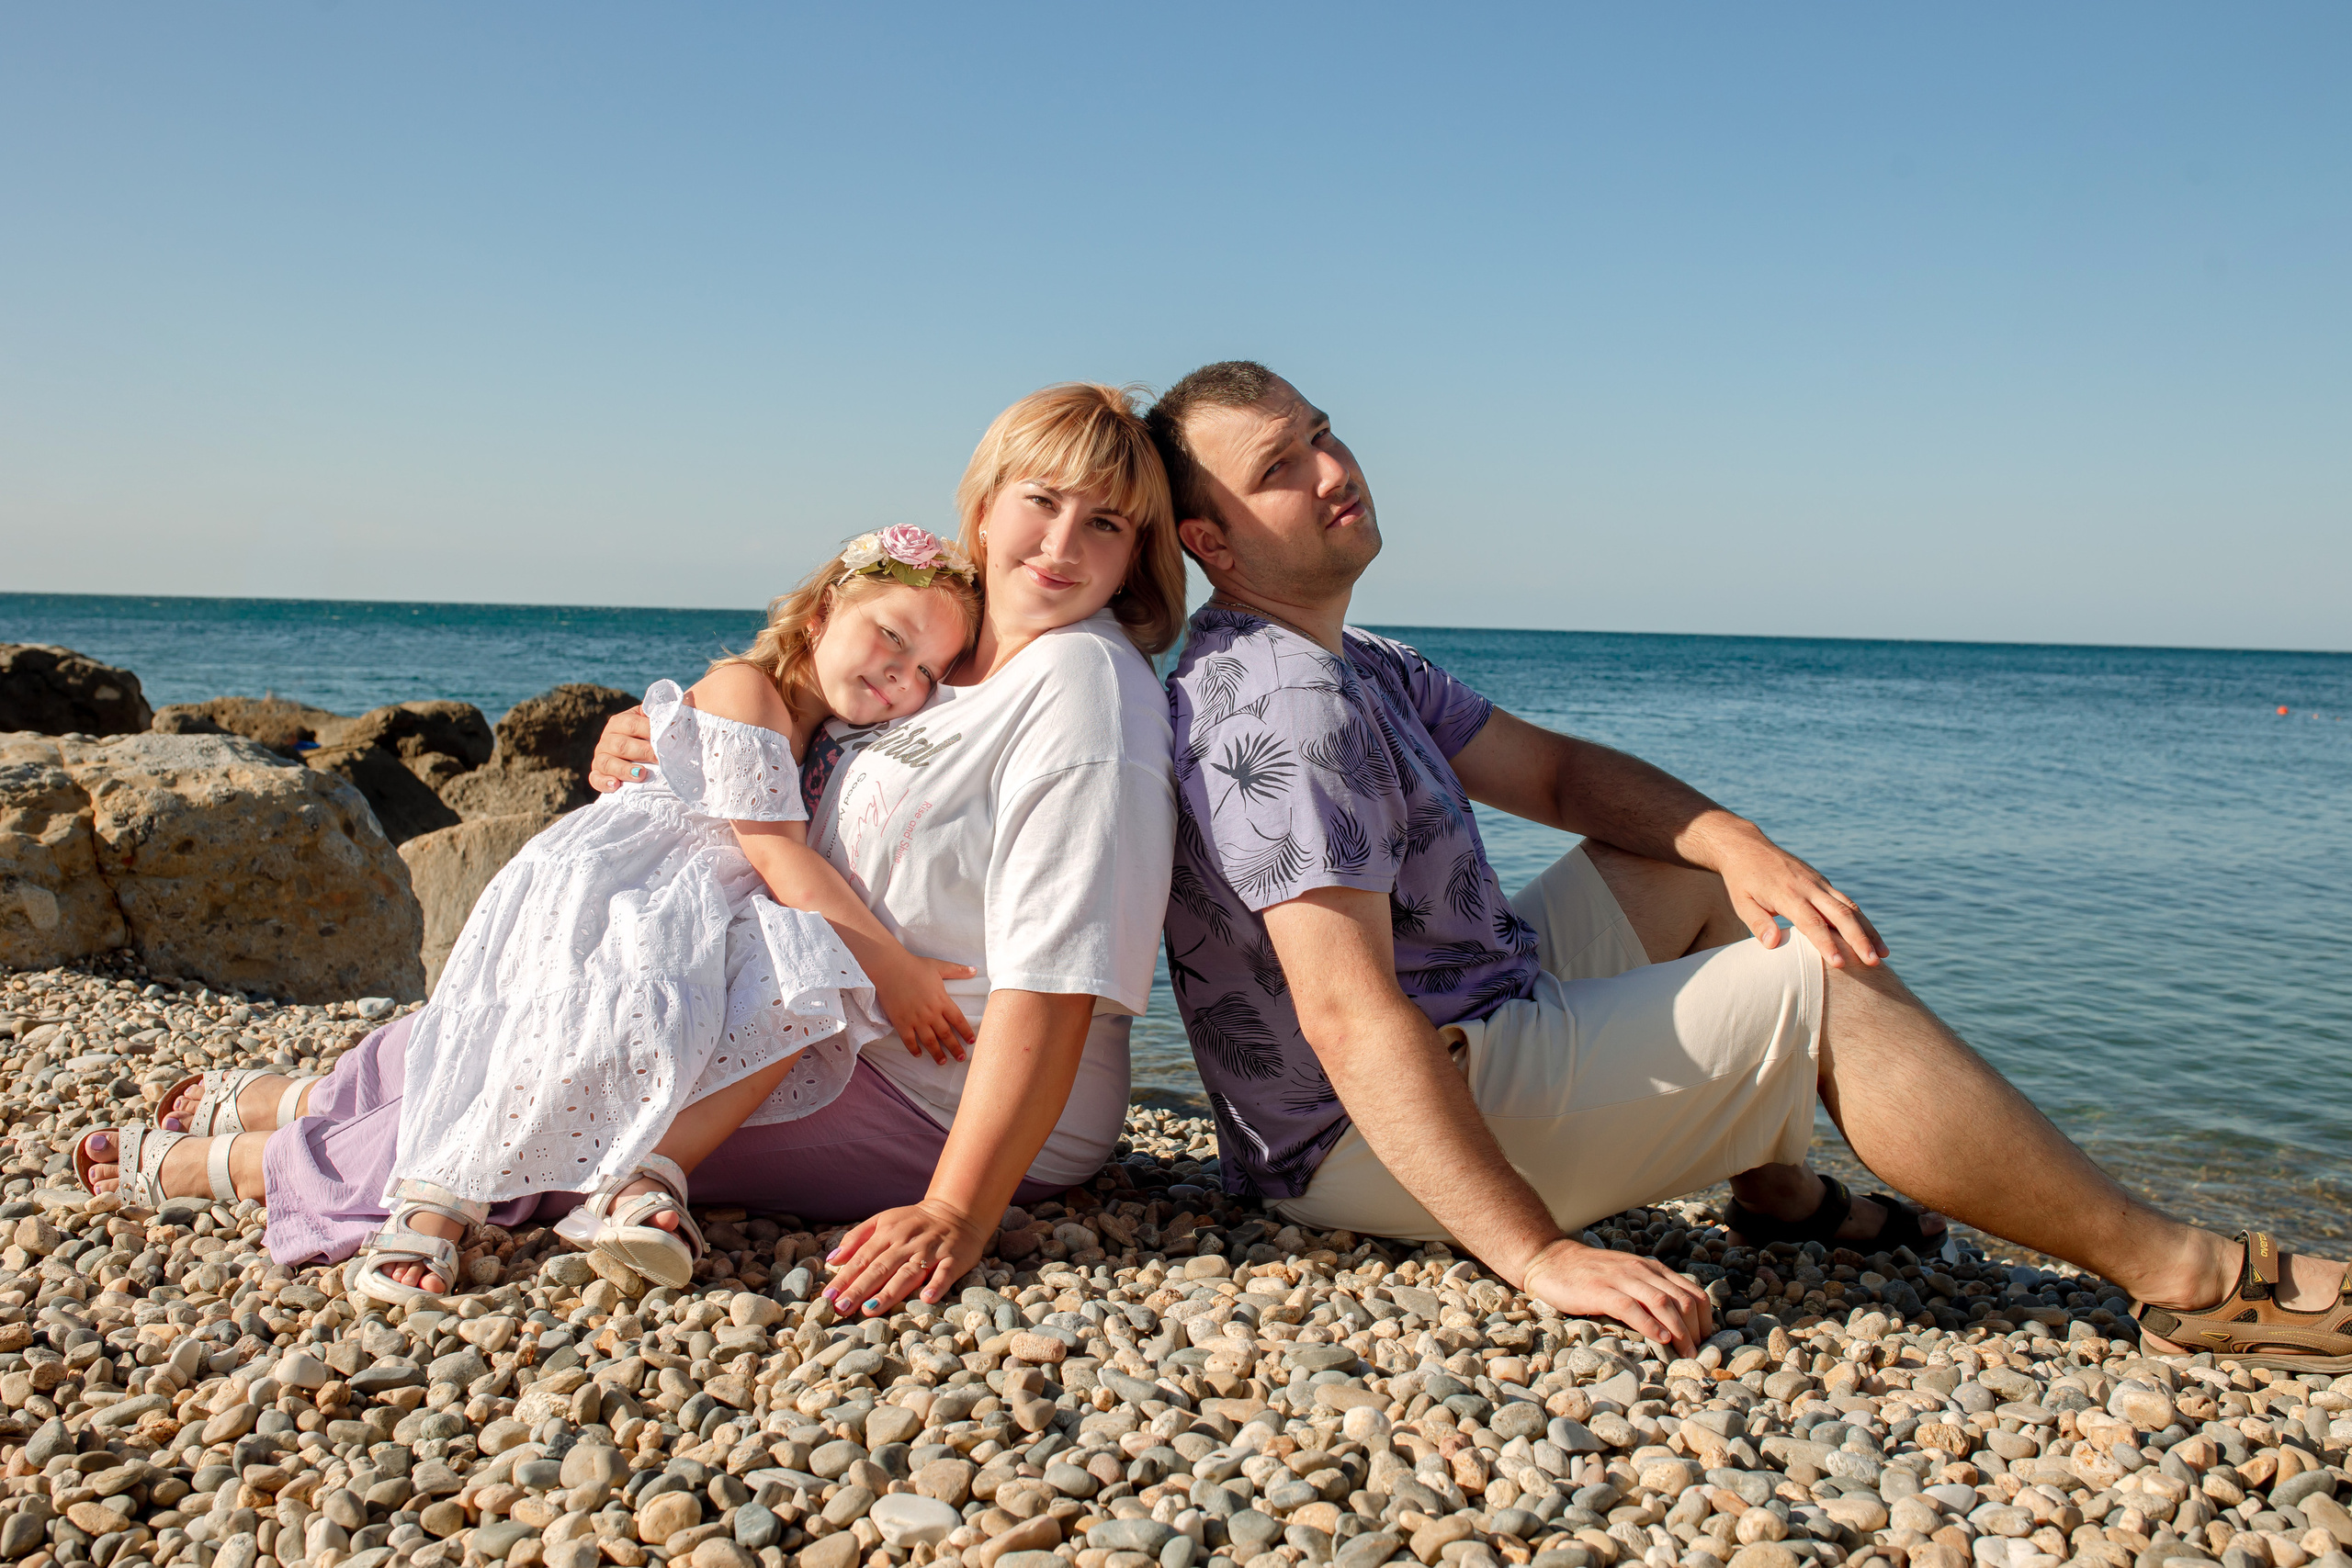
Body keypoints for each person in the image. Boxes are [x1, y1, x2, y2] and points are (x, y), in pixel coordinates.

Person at [1148, 359, 2351, 1368]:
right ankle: (2192, 1277)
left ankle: (1774, 1191)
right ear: (1213, 540)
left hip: (1463, 1016)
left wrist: (1735, 839)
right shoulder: (1279, 705)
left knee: (1713, 878)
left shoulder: (1354, 655)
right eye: (1281, 469)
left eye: (1322, 434)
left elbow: (1560, 777)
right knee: (1816, 979)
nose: (1333, 468)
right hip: (1365, 1141)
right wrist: (1533, 1251)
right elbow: (1350, 1016)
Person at [78, 382, 1188, 1323]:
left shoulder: (1084, 689)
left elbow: (1061, 977)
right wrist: (662, 744)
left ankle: (245, 1165)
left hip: (938, 1093)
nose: (1061, 543)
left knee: (566, 1089)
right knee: (517, 1015)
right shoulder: (944, 664)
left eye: (1106, 524)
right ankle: (308, 1095)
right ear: (984, 510)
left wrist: (959, 1208)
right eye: (1041, 502)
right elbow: (791, 761)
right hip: (816, 1010)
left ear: (1139, 554)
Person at [83, 525, 987, 1302]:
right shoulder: (749, 686)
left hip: (701, 893)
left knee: (795, 983)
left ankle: (640, 1171)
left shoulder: (831, 728)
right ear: (822, 610)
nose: (899, 674)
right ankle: (407, 1189)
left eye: (925, 671)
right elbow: (774, 847)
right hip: (626, 883)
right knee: (560, 1055)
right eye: (889, 636)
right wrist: (894, 970)